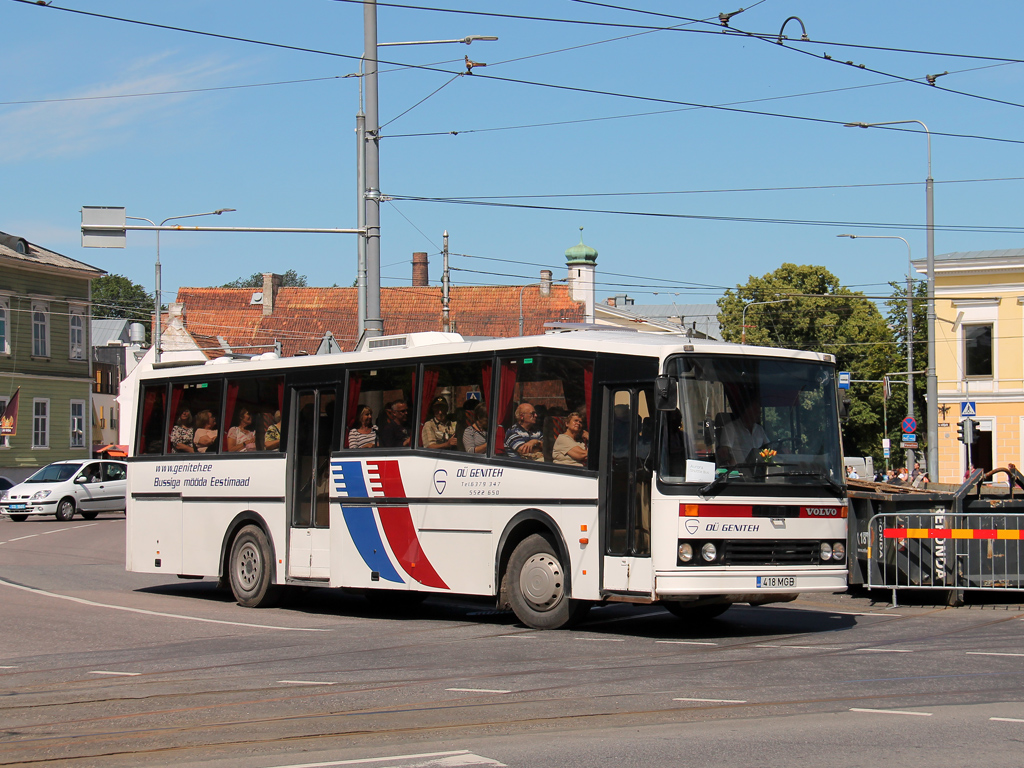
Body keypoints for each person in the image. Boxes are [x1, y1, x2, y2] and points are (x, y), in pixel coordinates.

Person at [717, 399, 769, 466]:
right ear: (746, 411)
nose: (759, 413)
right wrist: (730, 463)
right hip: (739, 471)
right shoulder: (730, 428)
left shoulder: (759, 429)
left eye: (759, 411)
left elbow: (769, 447)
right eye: (756, 410)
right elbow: (724, 452)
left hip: (759, 470)